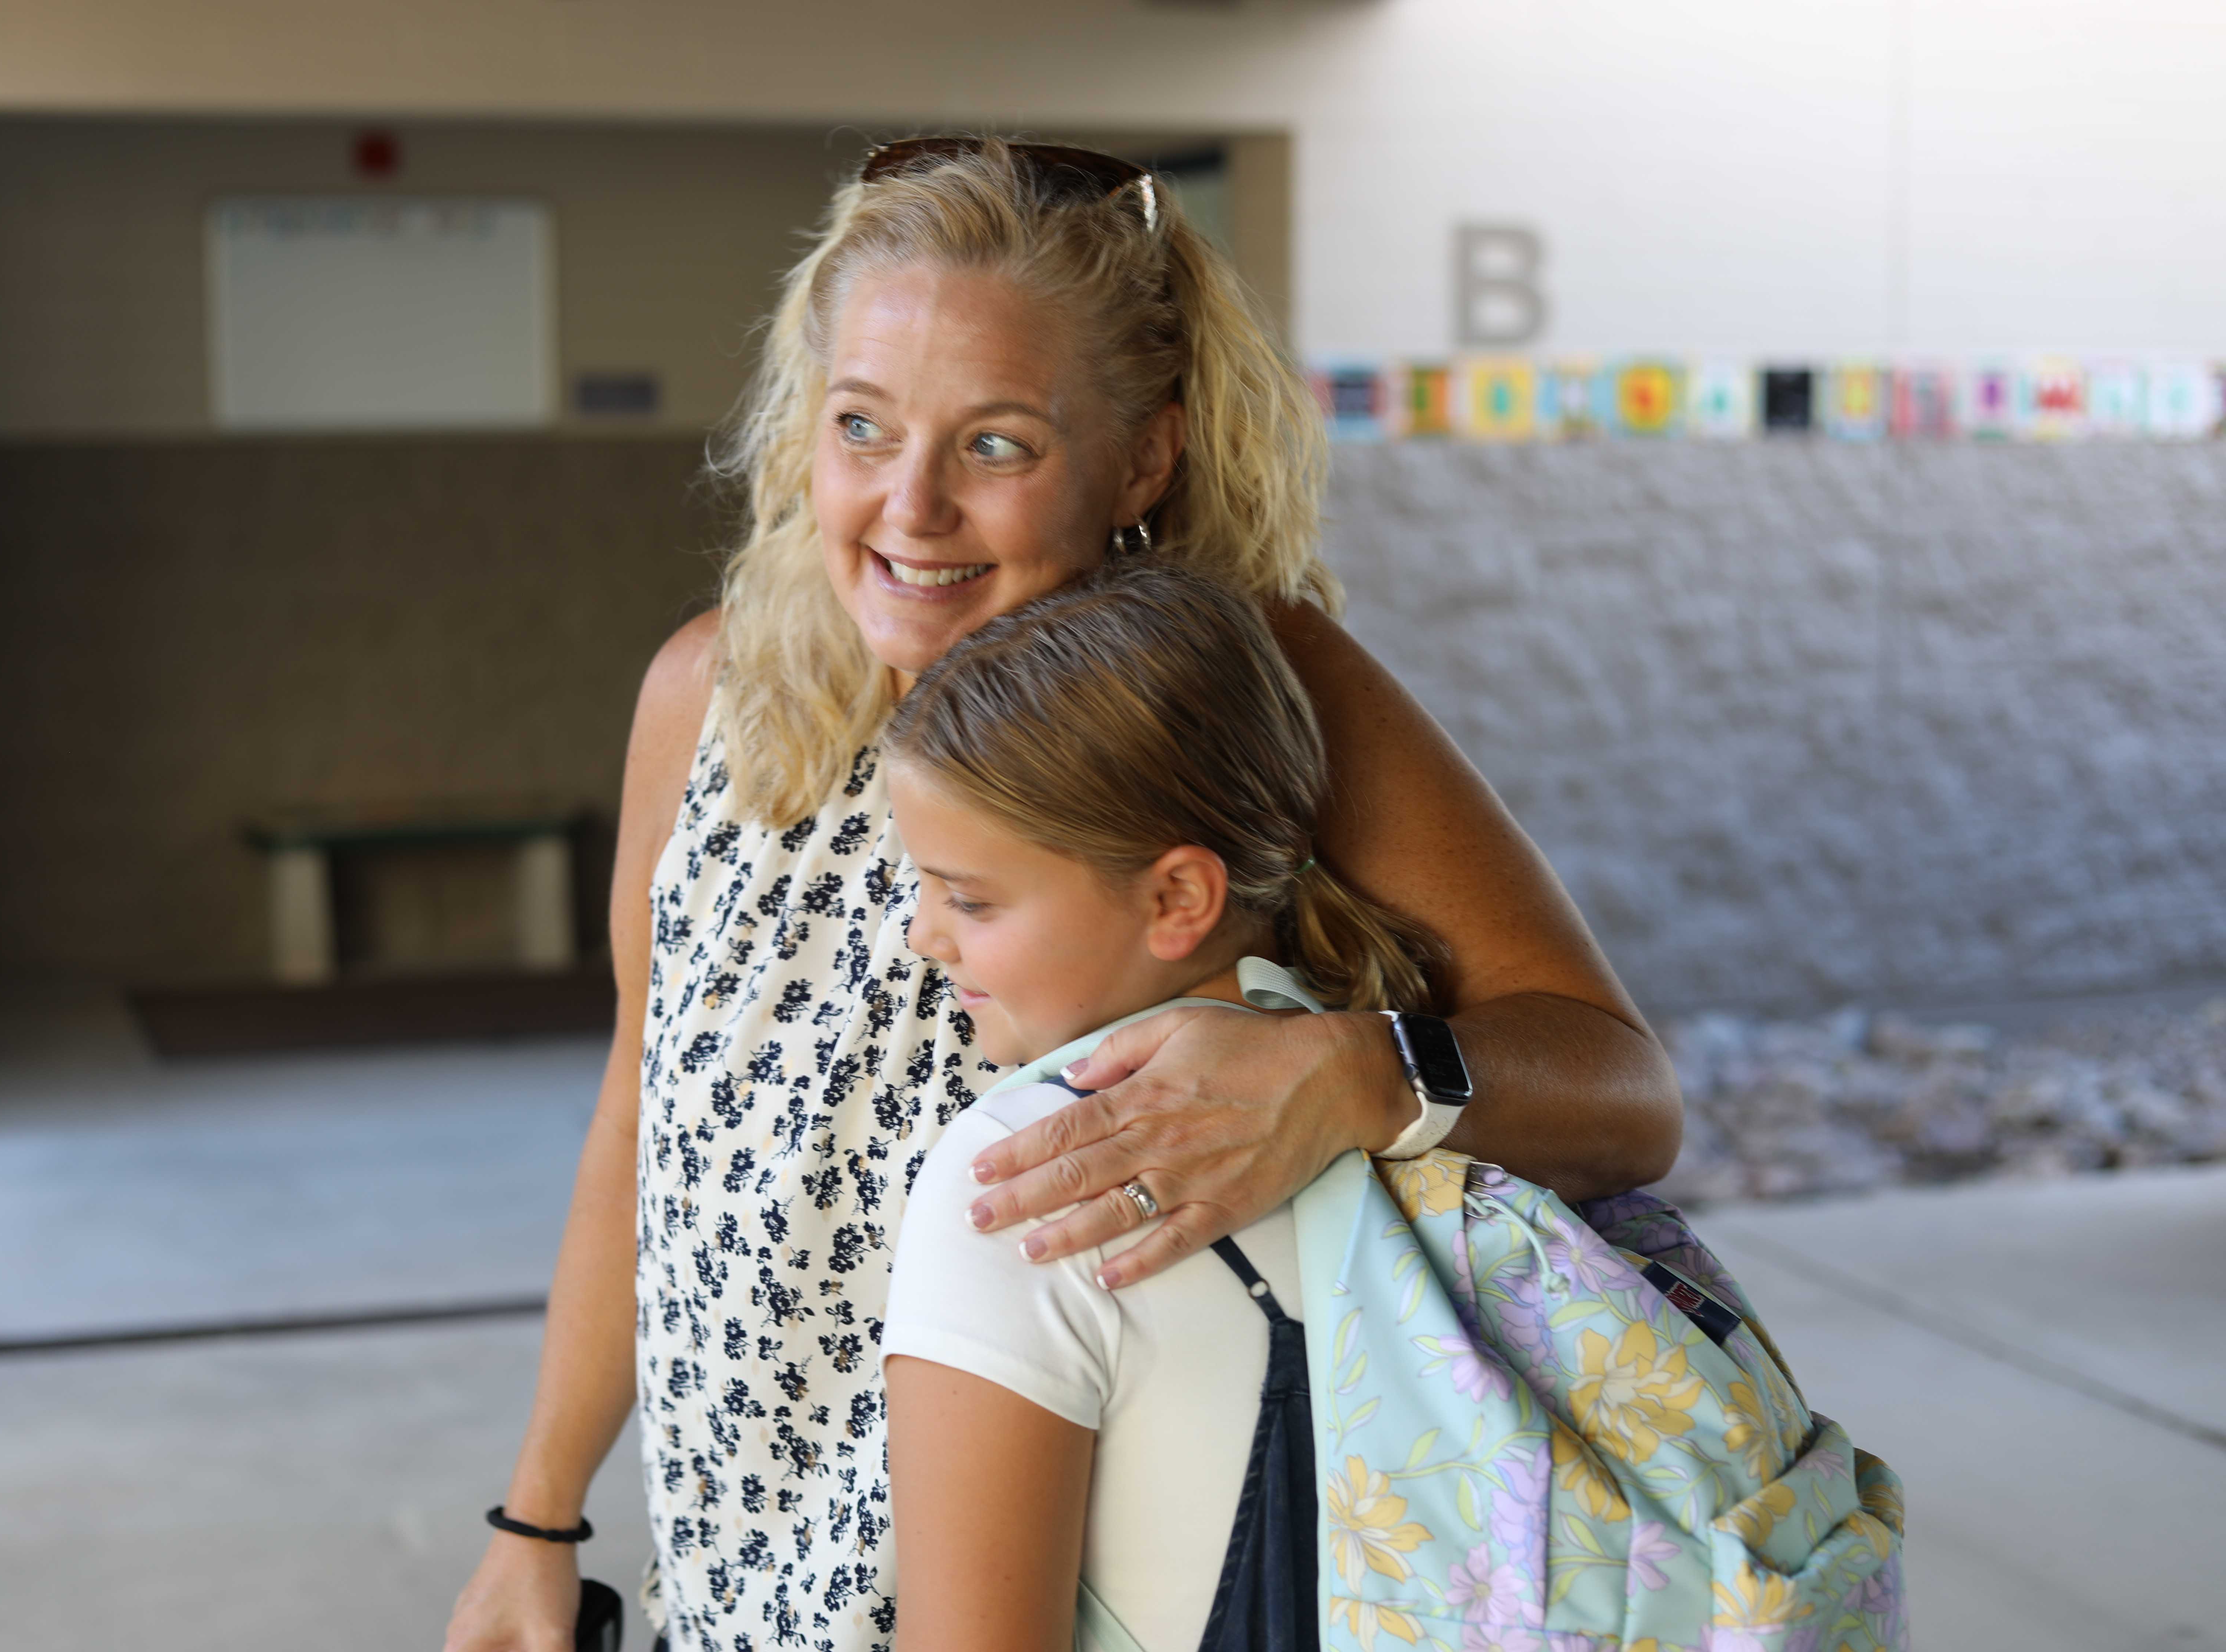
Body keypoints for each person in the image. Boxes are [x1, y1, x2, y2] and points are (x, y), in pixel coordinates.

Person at [443, 137, 1682, 1652]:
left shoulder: (1239, 696)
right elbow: (646, 1107)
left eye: (998, 445)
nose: (911, 507)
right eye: (862, 426)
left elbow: (1621, 1089)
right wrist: (541, 1510)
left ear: (1143, 460)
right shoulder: (707, 696)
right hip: (733, 1562)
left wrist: (1356, 1072)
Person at [878, 560, 1433, 1652]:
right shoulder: (1418, 1095)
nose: (925, 936)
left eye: (971, 898)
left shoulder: (1031, 1176)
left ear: (1178, 896)